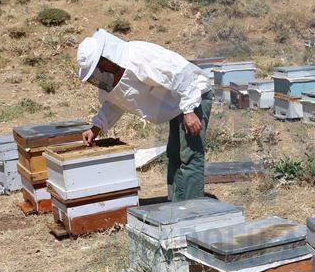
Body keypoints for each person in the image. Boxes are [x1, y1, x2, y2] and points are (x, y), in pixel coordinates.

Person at [76, 29, 213, 202]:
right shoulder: (111, 73)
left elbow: (180, 74)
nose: (100, 70)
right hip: (176, 105)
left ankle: (192, 210)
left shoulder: (139, 57)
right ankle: (177, 206)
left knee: (190, 156)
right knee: (174, 154)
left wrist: (189, 110)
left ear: (107, 56)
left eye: (99, 65)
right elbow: (115, 102)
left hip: (193, 94)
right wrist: (96, 128)